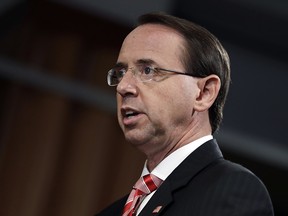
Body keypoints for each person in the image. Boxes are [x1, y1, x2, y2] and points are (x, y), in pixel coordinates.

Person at [96, 12, 274, 216]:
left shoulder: (231, 190)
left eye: (148, 70)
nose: (123, 87)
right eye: (120, 73)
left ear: (203, 93)